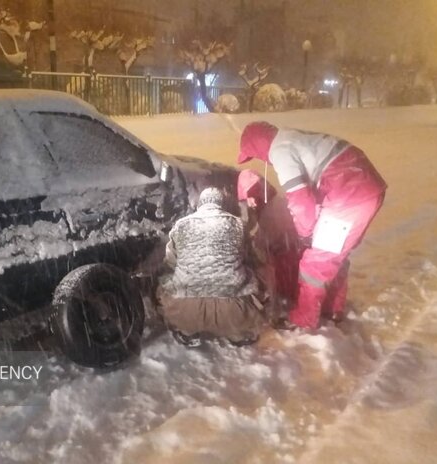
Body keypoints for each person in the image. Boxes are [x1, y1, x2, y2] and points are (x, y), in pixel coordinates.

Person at [237, 122, 387, 329]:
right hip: (364, 187)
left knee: (315, 262)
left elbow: (301, 201)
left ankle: (304, 319)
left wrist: (304, 233)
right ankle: (332, 307)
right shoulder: (292, 138)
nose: (263, 161)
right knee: (333, 254)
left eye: (255, 154)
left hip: (349, 194)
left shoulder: (281, 151)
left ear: (258, 146)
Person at [157, 186, 267, 347]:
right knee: (259, 275)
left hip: (185, 308)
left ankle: (187, 331)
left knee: (164, 283)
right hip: (232, 310)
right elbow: (253, 257)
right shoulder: (238, 224)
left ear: (199, 205)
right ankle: (238, 332)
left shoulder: (180, 225)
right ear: (221, 204)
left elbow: (170, 261)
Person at [236, 169, 301, 312]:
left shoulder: (268, 208)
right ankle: (287, 301)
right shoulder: (277, 201)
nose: (251, 203)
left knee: (270, 270)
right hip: (286, 249)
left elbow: (262, 238)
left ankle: (278, 308)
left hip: (278, 250)